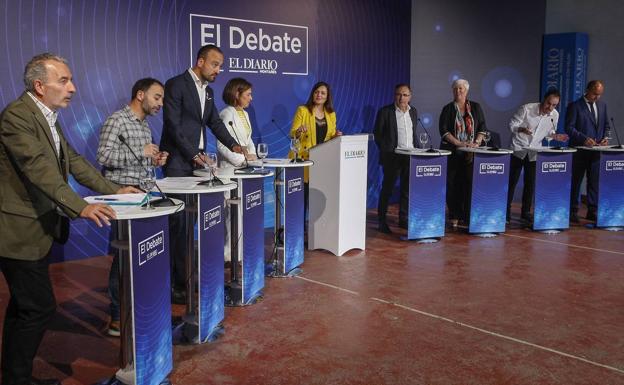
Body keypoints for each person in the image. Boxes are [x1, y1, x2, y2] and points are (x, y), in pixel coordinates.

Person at [0, 53, 138, 385]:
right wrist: (81, 206)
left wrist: (114, 189)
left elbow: (72, 160)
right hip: (17, 232)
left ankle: (14, 375)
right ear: (39, 85)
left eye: (71, 79)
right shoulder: (17, 117)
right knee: (39, 307)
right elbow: (39, 170)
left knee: (24, 305)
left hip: (37, 229)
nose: (73, 88)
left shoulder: (46, 115)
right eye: (63, 80)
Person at [160, 44, 244, 303]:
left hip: (196, 164)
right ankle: (176, 285)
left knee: (190, 225)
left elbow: (214, 123)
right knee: (178, 226)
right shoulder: (176, 84)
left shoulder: (208, 93)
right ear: (200, 61)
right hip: (177, 162)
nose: (219, 69)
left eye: (220, 65)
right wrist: (193, 153)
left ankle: (185, 278)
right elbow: (172, 125)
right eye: (215, 64)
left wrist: (233, 144)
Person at [96, 78, 168, 336]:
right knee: (123, 258)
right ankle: (117, 315)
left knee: (143, 254)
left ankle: (141, 307)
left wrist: (156, 160)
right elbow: (103, 156)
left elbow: (142, 164)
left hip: (144, 197)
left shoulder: (145, 126)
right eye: (157, 97)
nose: (161, 103)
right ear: (140, 94)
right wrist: (141, 150)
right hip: (122, 198)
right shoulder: (117, 120)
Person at [507, 88, 568, 223]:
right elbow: (512, 125)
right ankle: (505, 211)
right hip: (519, 149)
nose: (550, 107)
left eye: (554, 105)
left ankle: (526, 212)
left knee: (530, 183)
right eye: (548, 103)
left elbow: (550, 132)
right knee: (512, 182)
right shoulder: (527, 109)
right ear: (543, 99)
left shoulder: (554, 115)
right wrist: (521, 129)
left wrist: (555, 136)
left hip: (535, 152)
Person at [439, 79, 487, 227]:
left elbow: (482, 127)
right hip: (453, 151)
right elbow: (444, 130)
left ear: (466, 91)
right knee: (452, 184)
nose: (458, 91)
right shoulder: (447, 108)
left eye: (461, 89)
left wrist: (476, 143)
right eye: (455, 89)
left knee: (469, 183)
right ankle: (454, 214)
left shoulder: (476, 107)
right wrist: (459, 143)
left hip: (471, 153)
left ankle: (467, 215)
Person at [373, 84, 418, 234]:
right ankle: (381, 220)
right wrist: (387, 150)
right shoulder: (385, 112)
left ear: (410, 97)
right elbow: (378, 134)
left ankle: (403, 219)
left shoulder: (414, 112)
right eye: (399, 94)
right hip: (392, 157)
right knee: (388, 189)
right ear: (394, 95)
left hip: (410, 156)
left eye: (405, 95)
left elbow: (413, 133)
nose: (401, 98)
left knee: (407, 189)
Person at [565, 80, 610, 223]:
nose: (597, 97)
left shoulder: (602, 106)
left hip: (596, 151)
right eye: (595, 94)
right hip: (579, 151)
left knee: (594, 182)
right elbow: (569, 128)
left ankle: (592, 210)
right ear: (587, 90)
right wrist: (583, 139)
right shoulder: (575, 106)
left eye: (600, 95)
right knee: (576, 181)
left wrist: (606, 138)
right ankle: (572, 211)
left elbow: (606, 126)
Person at [289, 81, 341, 179]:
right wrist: (299, 131)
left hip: (322, 159)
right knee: (305, 191)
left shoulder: (331, 114)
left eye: (323, 93)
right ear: (312, 94)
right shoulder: (303, 110)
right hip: (304, 158)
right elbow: (292, 133)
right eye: (316, 92)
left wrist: (336, 136)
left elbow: (331, 137)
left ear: (327, 97)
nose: (319, 95)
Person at [218, 77, 258, 168]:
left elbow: (248, 139)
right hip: (231, 168)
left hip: (246, 165)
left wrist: (252, 155)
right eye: (248, 95)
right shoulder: (227, 113)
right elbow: (221, 144)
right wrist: (242, 159)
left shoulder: (245, 114)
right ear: (237, 94)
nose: (251, 98)